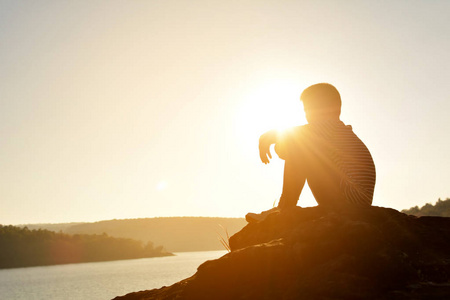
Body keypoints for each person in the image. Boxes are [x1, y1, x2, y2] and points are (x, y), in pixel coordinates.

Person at [246, 83, 376, 222]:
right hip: (351, 198)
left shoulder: (330, 127)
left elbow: (291, 143)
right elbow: (288, 148)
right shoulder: (335, 132)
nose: (307, 115)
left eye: (310, 109)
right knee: (302, 147)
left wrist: (267, 138)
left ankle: (284, 208)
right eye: (306, 110)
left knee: (302, 149)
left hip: (349, 200)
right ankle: (284, 208)